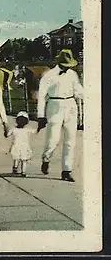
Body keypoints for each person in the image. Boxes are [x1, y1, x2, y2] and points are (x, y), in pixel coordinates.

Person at [36, 49, 84, 182]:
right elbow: (41, 96)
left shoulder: (73, 74)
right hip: (54, 106)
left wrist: (85, 93)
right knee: (53, 140)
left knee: (70, 140)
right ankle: (46, 158)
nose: (67, 68)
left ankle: (66, 170)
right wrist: (41, 115)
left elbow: (78, 90)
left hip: (70, 106)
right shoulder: (49, 75)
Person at [5, 111, 37, 177]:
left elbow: (7, 135)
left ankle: (15, 168)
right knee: (24, 160)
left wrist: (5, 129)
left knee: (16, 158)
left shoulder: (13, 129)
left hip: (16, 146)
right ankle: (23, 172)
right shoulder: (27, 129)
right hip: (24, 146)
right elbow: (35, 131)